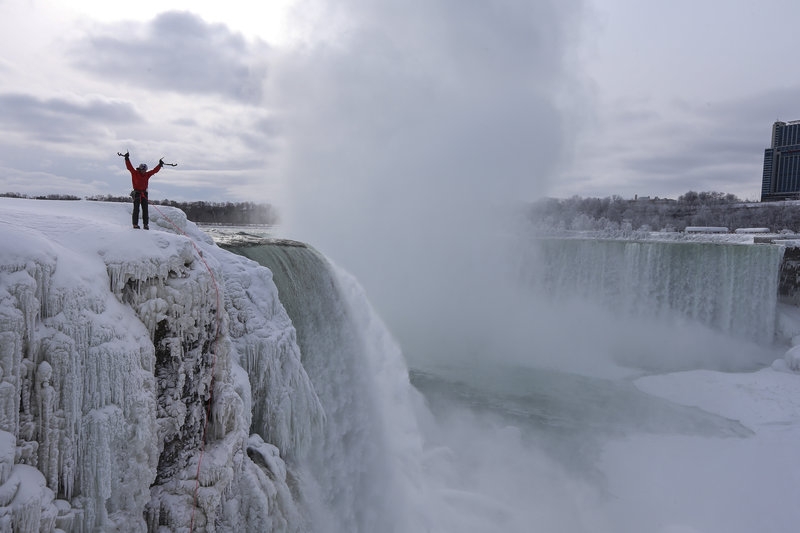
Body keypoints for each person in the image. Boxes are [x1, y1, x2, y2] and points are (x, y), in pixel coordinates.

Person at [122, 152, 163, 229]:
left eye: (145, 170)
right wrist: (127, 158)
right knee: (136, 209)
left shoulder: (147, 174)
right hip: (136, 193)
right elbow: (129, 167)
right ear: (140, 169)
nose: (144, 171)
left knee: (145, 210)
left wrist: (160, 165)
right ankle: (135, 224)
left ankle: (146, 225)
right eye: (142, 169)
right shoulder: (134, 173)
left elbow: (154, 171)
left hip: (144, 193)